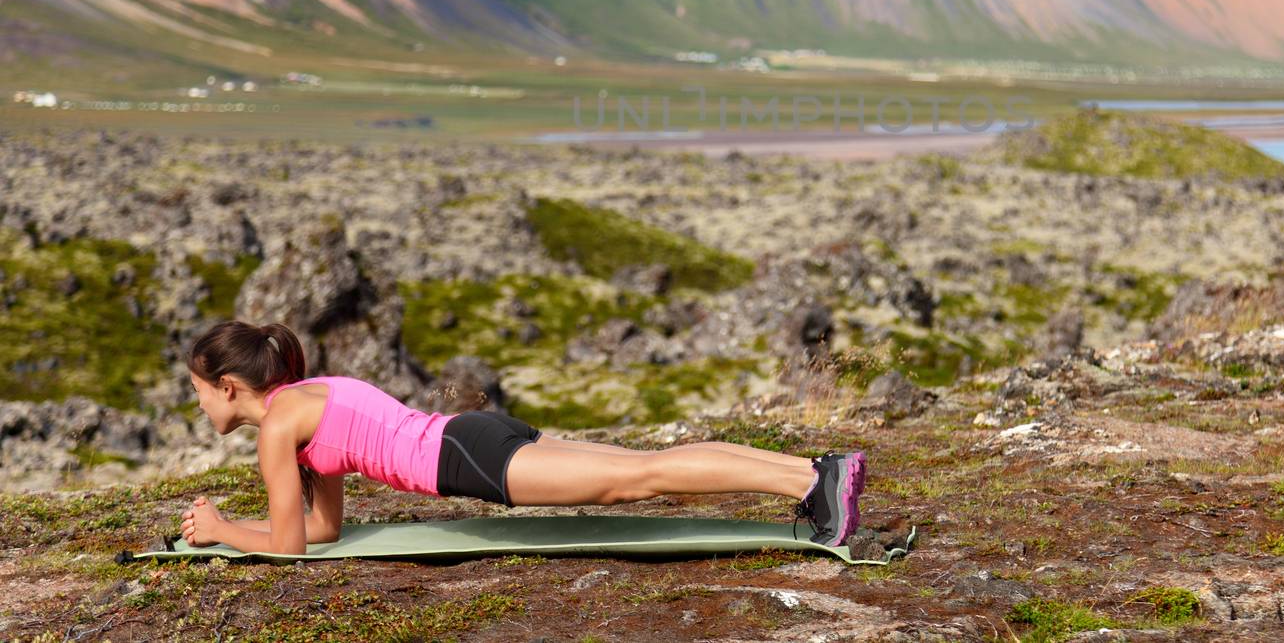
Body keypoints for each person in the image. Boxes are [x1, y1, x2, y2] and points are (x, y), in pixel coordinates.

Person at [180, 320, 866, 556]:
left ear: (230, 386)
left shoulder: (277, 427)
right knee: (646, 464)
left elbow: (291, 545)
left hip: (469, 457)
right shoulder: (307, 399)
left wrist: (219, 528)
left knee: (641, 476)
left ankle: (812, 484)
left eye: (198, 388)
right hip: (474, 435)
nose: (197, 401)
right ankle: (814, 469)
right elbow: (324, 529)